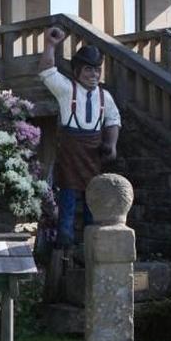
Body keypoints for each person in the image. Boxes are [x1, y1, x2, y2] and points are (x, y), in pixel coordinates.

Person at [39, 26, 120, 249]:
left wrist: (111, 145)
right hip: (70, 152)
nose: (93, 75)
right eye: (88, 70)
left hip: (93, 154)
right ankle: (64, 246)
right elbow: (47, 71)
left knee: (92, 201)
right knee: (68, 200)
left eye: (97, 70)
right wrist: (50, 45)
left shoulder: (105, 96)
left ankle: (89, 246)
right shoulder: (66, 90)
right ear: (77, 71)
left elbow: (112, 120)